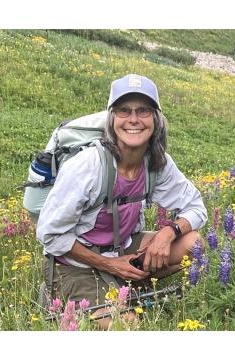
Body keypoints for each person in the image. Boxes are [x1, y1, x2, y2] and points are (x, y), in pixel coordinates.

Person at [36, 74, 207, 329]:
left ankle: (124, 287)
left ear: (156, 119)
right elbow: (50, 235)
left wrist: (168, 233)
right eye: (124, 110)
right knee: (127, 326)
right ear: (112, 118)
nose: (134, 119)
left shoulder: (157, 163)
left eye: (144, 110)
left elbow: (196, 207)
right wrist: (110, 264)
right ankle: (65, 295)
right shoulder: (87, 165)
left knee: (195, 244)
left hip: (123, 250)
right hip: (75, 265)